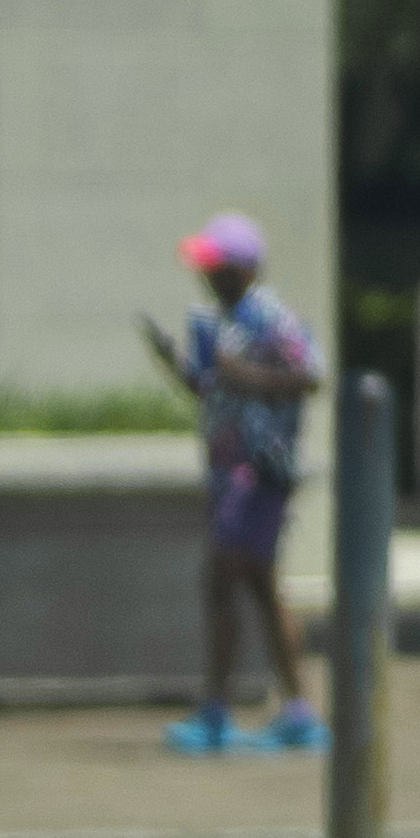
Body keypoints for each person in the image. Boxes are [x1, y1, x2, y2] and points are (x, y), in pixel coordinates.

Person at [157, 216, 321, 754]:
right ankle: (296, 708)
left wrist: (241, 375)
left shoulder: (269, 317)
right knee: (259, 585)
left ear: (243, 269)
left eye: (216, 266)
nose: (206, 275)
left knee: (222, 581)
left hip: (258, 471)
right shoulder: (216, 321)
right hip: (228, 472)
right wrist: (180, 366)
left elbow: (309, 376)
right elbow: (212, 389)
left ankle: (218, 711)